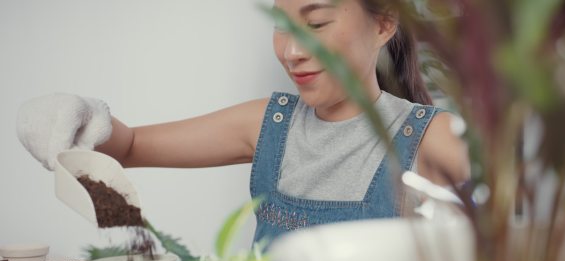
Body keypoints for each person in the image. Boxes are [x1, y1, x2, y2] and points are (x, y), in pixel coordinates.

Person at [16, 0, 469, 245]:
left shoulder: (431, 138)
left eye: (316, 24)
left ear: (384, 24)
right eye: (280, 25)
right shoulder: (268, 124)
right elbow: (131, 147)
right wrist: (81, 117)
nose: (291, 52)